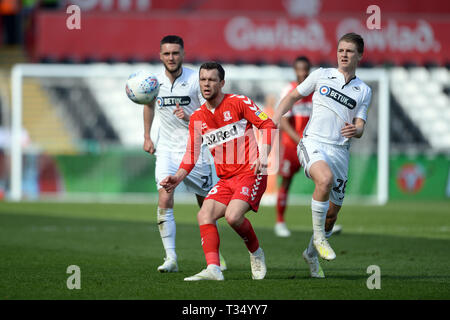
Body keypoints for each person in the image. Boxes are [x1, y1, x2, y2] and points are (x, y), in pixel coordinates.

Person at [160, 62, 277, 281]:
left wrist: (264, 155)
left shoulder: (238, 102)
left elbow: (268, 125)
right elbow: (191, 155)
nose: (206, 84)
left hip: (250, 172)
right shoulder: (197, 117)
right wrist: (177, 177)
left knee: (233, 217)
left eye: (212, 80)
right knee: (204, 213)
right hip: (225, 180)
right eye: (203, 79)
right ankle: (213, 268)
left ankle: (255, 252)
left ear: (221, 83)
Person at [273, 33, 372, 278]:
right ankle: (319, 238)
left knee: (332, 215)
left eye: (349, 51)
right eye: (341, 50)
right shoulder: (320, 75)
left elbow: (360, 125)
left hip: (340, 152)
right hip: (313, 143)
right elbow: (293, 96)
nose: (344, 54)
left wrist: (356, 129)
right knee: (324, 180)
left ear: (359, 55)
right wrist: (273, 119)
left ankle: (311, 254)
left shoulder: (364, 90)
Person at [143, 35, 226, 273]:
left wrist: (189, 118)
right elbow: (148, 105)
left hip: (195, 149)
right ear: (160, 55)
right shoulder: (154, 81)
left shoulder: (195, 79)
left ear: (183, 54)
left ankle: (214, 251)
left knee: (207, 206)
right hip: (167, 149)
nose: (171, 57)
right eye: (167, 53)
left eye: (175, 53)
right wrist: (147, 136)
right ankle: (171, 258)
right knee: (165, 195)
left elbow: (211, 113)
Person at [274, 56, 313, 237]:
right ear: (295, 70)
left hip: (312, 145)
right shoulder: (289, 91)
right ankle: (280, 222)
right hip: (292, 146)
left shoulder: (316, 92)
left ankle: (327, 221)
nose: (303, 73)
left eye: (305, 69)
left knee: (325, 180)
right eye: (300, 70)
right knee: (286, 182)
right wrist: (299, 140)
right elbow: (283, 121)